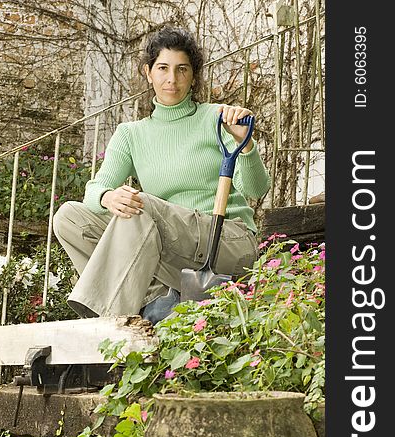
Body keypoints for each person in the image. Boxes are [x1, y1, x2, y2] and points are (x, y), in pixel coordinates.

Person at [53, 25, 270, 324]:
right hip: (171, 256)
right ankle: (152, 300)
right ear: (148, 72)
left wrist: (244, 143)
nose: (172, 79)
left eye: (182, 69)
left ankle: (106, 320)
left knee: (141, 206)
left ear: (194, 75)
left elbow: (257, 189)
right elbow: (94, 190)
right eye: (163, 68)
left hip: (226, 240)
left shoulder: (216, 118)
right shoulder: (131, 134)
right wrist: (107, 197)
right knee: (69, 217)